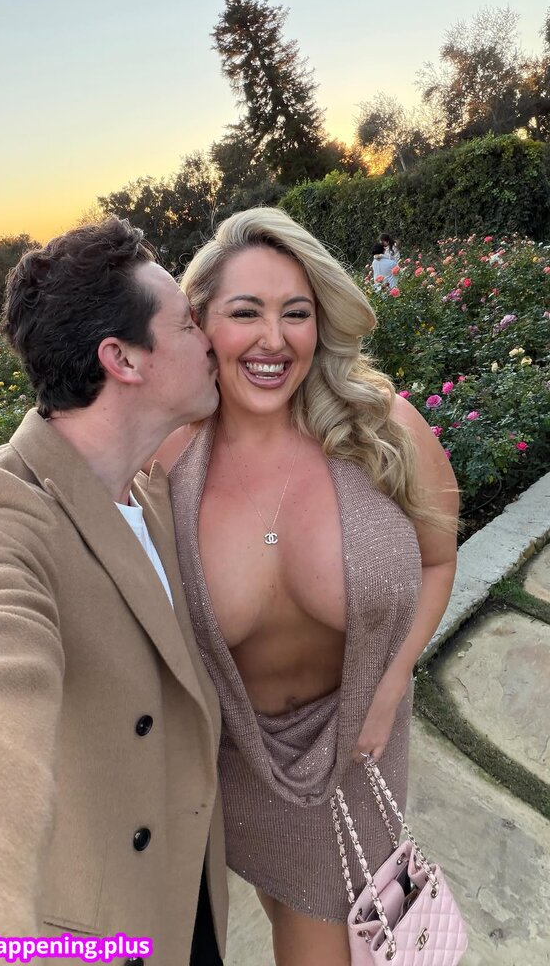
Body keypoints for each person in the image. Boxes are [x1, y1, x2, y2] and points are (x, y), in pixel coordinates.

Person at [154, 208, 458, 966]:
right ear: (201, 324)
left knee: (335, 932)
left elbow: (437, 559)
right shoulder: (165, 463)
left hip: (361, 739)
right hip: (241, 761)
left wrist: (391, 683)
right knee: (291, 908)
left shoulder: (382, 430)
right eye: (245, 313)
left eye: (296, 313)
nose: (274, 339)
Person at [0, 218, 227, 966]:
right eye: (188, 324)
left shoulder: (150, 493)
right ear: (122, 358)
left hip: (186, 896)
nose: (210, 340)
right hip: (105, 934)